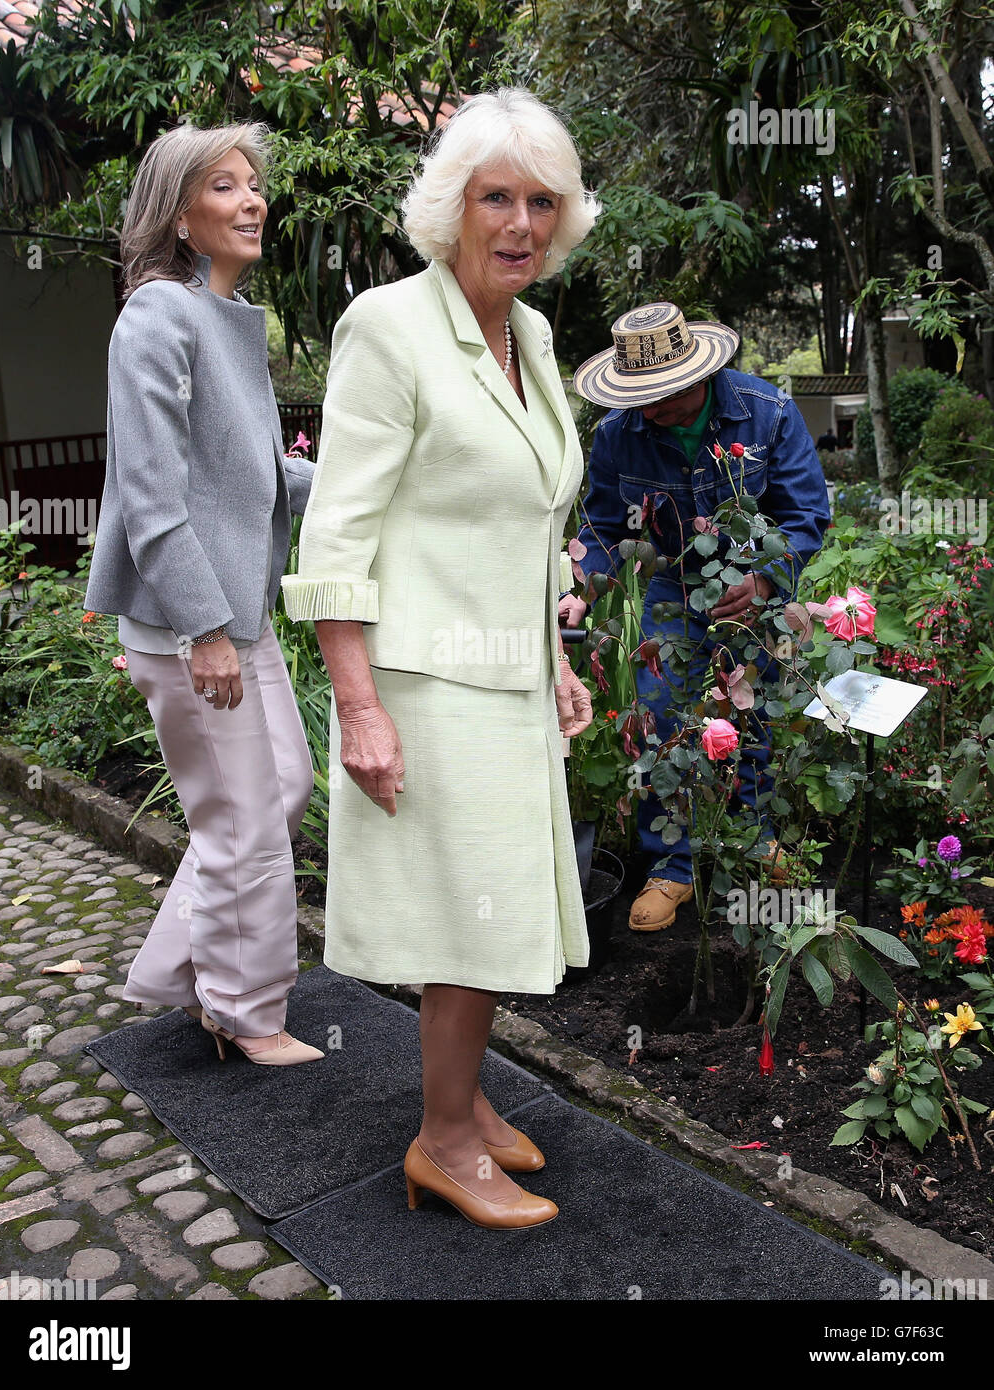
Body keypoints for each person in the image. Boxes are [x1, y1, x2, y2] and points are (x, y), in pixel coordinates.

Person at [282, 87, 599, 1229]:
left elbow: (533, 518)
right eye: (493, 198)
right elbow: (338, 532)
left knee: (501, 910)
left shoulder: (534, 332)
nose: (518, 222)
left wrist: (554, 654)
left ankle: (463, 1106)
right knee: (466, 924)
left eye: (539, 202)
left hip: (508, 674)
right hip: (423, 681)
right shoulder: (390, 325)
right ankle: (443, 1140)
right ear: (450, 208)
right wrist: (357, 706)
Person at [84, 121, 323, 1065]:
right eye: (224, 186)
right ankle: (243, 1008)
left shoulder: (227, 320)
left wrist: (374, 484)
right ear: (183, 217)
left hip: (236, 613)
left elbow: (259, 478)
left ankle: (183, 973)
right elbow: (153, 497)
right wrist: (205, 631)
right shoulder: (156, 317)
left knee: (284, 790)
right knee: (243, 818)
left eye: (255, 182)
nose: (253, 198)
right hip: (193, 624)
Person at [562, 303, 831, 932]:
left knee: (754, 712)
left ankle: (756, 841)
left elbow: (806, 515)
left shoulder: (767, 414)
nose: (647, 411)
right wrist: (580, 587)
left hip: (752, 595)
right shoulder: (618, 434)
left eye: (661, 398)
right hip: (671, 591)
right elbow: (602, 526)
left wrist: (766, 580)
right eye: (639, 398)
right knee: (661, 720)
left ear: (697, 379)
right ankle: (671, 868)